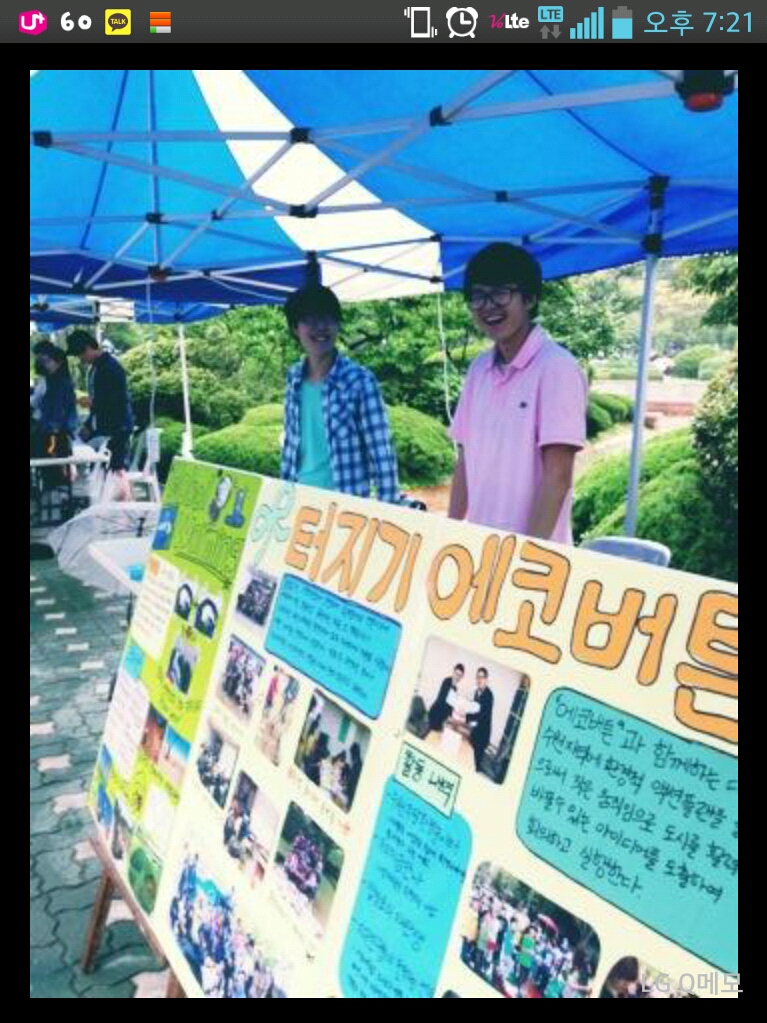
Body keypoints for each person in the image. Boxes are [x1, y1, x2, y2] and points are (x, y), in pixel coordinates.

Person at [448, 243, 588, 544]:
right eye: (478, 295)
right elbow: (464, 462)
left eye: (500, 293)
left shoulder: (557, 368)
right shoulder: (478, 369)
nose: (488, 306)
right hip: (481, 548)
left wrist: (524, 556)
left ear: (530, 298)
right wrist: (449, 533)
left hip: (533, 558)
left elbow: (558, 477)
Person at [280, 285, 402, 504]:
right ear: (295, 328)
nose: (320, 327)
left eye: (327, 318)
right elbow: (291, 446)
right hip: (299, 501)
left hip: (345, 506)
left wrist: (388, 508)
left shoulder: (359, 381)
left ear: (338, 324)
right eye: (310, 319)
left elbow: (381, 454)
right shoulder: (293, 378)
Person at [66, 329, 134, 499]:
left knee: (117, 469)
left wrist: (93, 403)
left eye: (80, 354)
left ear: (89, 348)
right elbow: (100, 402)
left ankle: (125, 505)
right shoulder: (96, 368)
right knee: (107, 468)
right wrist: (89, 424)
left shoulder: (111, 367)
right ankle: (111, 502)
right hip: (106, 425)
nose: (80, 359)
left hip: (118, 426)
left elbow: (118, 401)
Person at [30, 340, 80, 488]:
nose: (44, 364)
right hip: (54, 431)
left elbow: (56, 413)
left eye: (47, 361)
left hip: (55, 432)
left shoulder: (58, 384)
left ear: (58, 362)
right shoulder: (56, 381)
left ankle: (54, 485)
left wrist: (48, 427)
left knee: (49, 460)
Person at [466, 667, 494, 773]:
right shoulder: (476, 693)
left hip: (482, 736)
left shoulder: (489, 695)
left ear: (486, 679)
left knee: (474, 764)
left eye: (482, 677)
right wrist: (466, 715)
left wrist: (468, 720)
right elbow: (472, 709)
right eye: (477, 677)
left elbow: (482, 716)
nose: (479, 680)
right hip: (475, 733)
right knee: (468, 757)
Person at [425, 663, 465, 736]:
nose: (457, 677)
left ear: (461, 677)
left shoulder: (455, 688)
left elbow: (451, 704)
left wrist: (453, 714)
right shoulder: (447, 681)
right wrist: (450, 715)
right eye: (456, 674)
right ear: (453, 672)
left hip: (442, 717)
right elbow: (443, 700)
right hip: (435, 713)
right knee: (428, 735)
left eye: (460, 675)